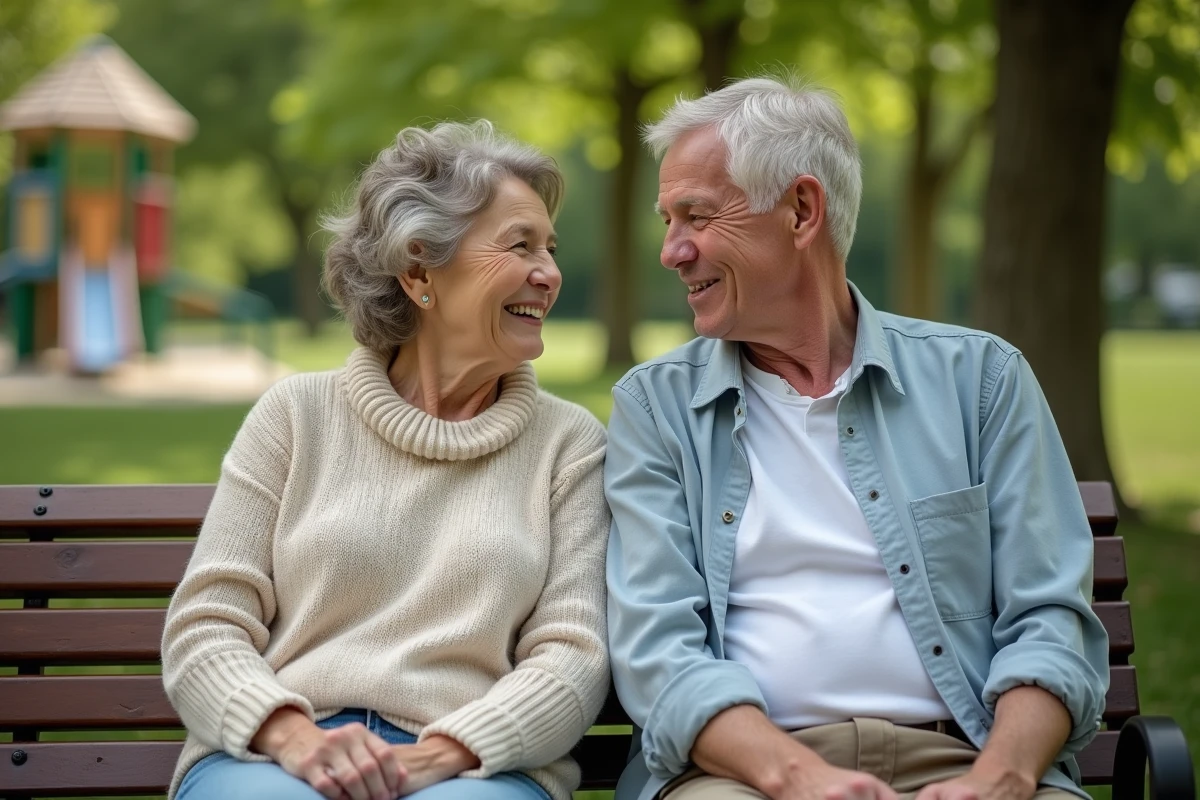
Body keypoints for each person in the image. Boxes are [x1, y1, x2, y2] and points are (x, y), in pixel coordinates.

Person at [604, 76, 1109, 800]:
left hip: (966, 757)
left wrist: (1001, 777)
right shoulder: (657, 408)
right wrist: (800, 779)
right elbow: (660, 654)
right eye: (667, 221)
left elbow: (1050, 621)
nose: (672, 251)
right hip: (743, 775)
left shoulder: (981, 380)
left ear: (802, 210)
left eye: (697, 216)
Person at [162, 121, 611, 800]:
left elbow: (572, 656)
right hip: (278, 757)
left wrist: (434, 758)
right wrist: (296, 739)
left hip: (471, 768)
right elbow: (206, 627)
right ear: (419, 269)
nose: (548, 273)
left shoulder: (568, 445)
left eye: (549, 247)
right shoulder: (295, 416)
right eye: (520, 245)